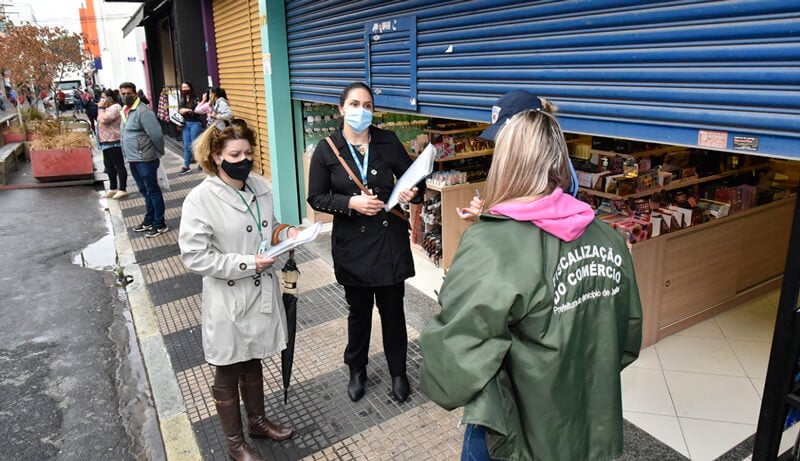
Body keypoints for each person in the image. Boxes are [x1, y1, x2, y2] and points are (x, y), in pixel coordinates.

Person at [418, 98, 643, 461]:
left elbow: (453, 365)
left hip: (514, 432)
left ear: (506, 161)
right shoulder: (610, 238)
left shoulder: (491, 243)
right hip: (588, 424)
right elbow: (627, 337)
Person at [179, 119, 297, 461]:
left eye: (248, 152)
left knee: (254, 356)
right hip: (228, 296)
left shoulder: (259, 186)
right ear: (216, 156)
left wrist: (285, 233)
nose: (243, 159)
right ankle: (235, 443)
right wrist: (247, 263)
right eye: (235, 153)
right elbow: (195, 256)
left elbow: (268, 228)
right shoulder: (200, 199)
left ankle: (258, 422)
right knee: (228, 367)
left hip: (260, 293)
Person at [307, 81, 424, 403]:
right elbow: (316, 197)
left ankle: (398, 372)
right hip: (352, 247)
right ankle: (356, 370)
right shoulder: (327, 149)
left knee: (393, 312)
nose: (362, 111)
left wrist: (411, 192)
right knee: (358, 314)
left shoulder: (387, 141)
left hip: (388, 244)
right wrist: (350, 204)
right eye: (355, 104)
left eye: (368, 105)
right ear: (342, 109)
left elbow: (415, 178)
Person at [119, 81, 168, 237]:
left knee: (152, 191)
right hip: (133, 159)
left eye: (128, 93)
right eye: (123, 94)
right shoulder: (125, 111)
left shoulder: (143, 111)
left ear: (135, 94)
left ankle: (160, 223)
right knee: (144, 190)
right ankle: (149, 219)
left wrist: (159, 152)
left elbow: (156, 135)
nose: (126, 96)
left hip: (146, 158)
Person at [97, 89, 127, 200]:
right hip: (105, 142)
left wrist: (100, 108)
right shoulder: (107, 108)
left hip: (114, 141)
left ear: (110, 98)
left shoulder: (115, 107)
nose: (102, 100)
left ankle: (122, 188)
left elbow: (104, 120)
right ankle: (113, 187)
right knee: (109, 166)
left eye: (104, 97)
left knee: (119, 166)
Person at [177, 81, 203, 174]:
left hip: (195, 123)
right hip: (185, 124)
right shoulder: (182, 99)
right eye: (182, 88)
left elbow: (198, 111)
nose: (184, 89)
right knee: (187, 146)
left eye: (186, 87)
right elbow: (179, 110)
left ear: (190, 88)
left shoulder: (196, 99)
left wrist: (187, 110)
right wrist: (182, 110)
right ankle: (186, 165)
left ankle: (201, 163)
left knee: (195, 145)